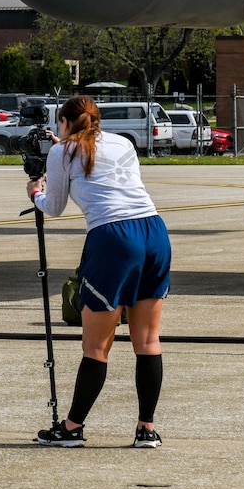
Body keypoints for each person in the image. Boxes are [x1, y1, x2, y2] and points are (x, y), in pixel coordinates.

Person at [29, 95, 172, 448]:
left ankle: (72, 427)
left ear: (64, 122)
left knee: (95, 346)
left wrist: (36, 193)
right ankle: (146, 429)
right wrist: (61, 148)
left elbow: (55, 206)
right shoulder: (122, 142)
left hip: (113, 239)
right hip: (154, 231)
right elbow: (96, 159)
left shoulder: (61, 153)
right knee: (148, 341)